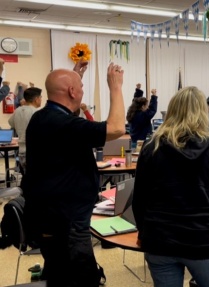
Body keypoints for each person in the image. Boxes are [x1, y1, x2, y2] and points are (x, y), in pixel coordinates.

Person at [21, 60, 125, 287]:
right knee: (80, 277)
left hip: (51, 216)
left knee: (61, 273)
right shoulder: (62, 124)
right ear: (71, 91)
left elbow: (71, 113)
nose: (83, 91)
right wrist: (115, 87)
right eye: (81, 87)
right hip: (66, 222)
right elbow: (117, 127)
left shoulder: (43, 117)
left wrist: (75, 76)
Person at [132, 86, 209, 287]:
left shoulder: (151, 147)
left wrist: (143, 231)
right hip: (203, 238)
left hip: (159, 239)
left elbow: (139, 197)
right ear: (202, 111)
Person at [8, 87, 42, 175]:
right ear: (36, 99)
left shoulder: (17, 111)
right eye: (41, 97)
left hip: (22, 151)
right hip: (33, 152)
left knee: (27, 179)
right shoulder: (37, 113)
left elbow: (11, 123)